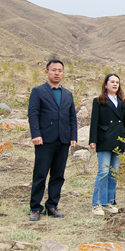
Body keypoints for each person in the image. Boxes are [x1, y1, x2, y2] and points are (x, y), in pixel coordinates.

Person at [28, 59, 77, 221]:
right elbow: (33, 114)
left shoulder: (68, 94)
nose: (57, 73)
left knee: (58, 175)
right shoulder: (38, 91)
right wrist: (36, 134)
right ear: (47, 72)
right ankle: (35, 208)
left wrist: (73, 137)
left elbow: (72, 117)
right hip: (44, 140)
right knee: (40, 174)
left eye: (60, 70)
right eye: (54, 70)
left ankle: (52, 206)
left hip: (63, 140)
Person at [89, 73, 125, 216]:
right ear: (106, 84)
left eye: (117, 82)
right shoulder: (99, 101)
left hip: (119, 139)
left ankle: (109, 202)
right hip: (104, 139)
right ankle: (96, 204)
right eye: (112, 82)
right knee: (103, 171)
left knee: (114, 172)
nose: (115, 84)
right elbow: (94, 121)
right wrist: (93, 139)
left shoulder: (121, 102)